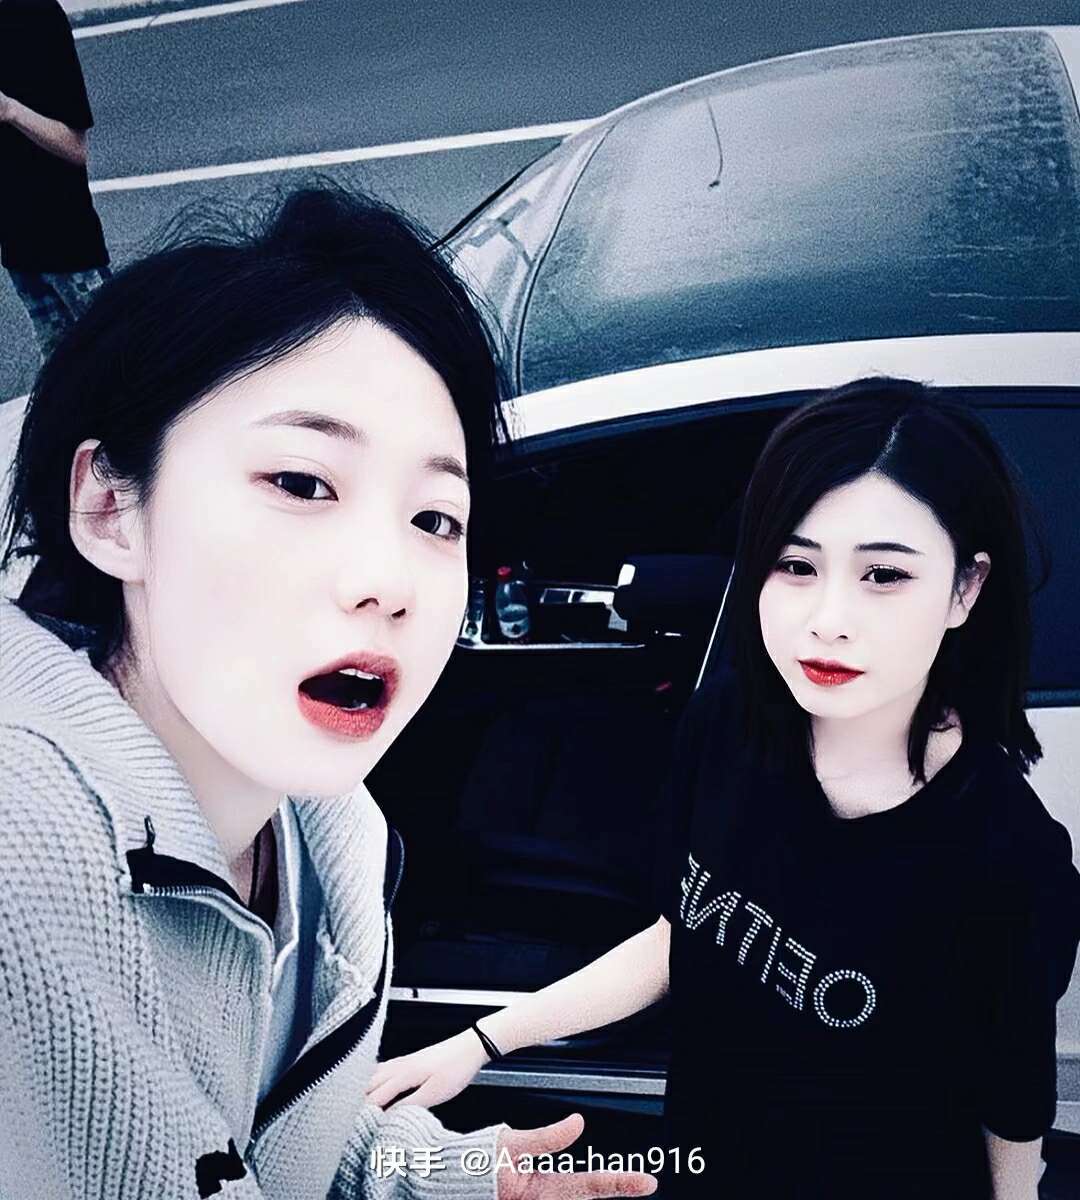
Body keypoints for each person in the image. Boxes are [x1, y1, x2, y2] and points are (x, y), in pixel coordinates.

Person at [0, 185, 659, 1200]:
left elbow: (263, 1128)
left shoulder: (333, 842)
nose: (388, 582)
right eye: (303, 483)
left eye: (435, 519)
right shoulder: (23, 861)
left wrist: (441, 1176)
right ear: (110, 509)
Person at [365, 378, 1080, 1200]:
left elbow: (1011, 1110)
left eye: (884, 575)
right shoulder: (732, 726)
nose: (828, 618)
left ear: (965, 589)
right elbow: (685, 937)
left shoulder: (1008, 858)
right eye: (796, 565)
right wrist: (481, 1044)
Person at [0, 0, 111, 362]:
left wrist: (11, 111)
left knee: (119, 363)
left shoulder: (38, 18)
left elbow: (74, 148)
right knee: (61, 377)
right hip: (18, 250)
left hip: (67, 245)